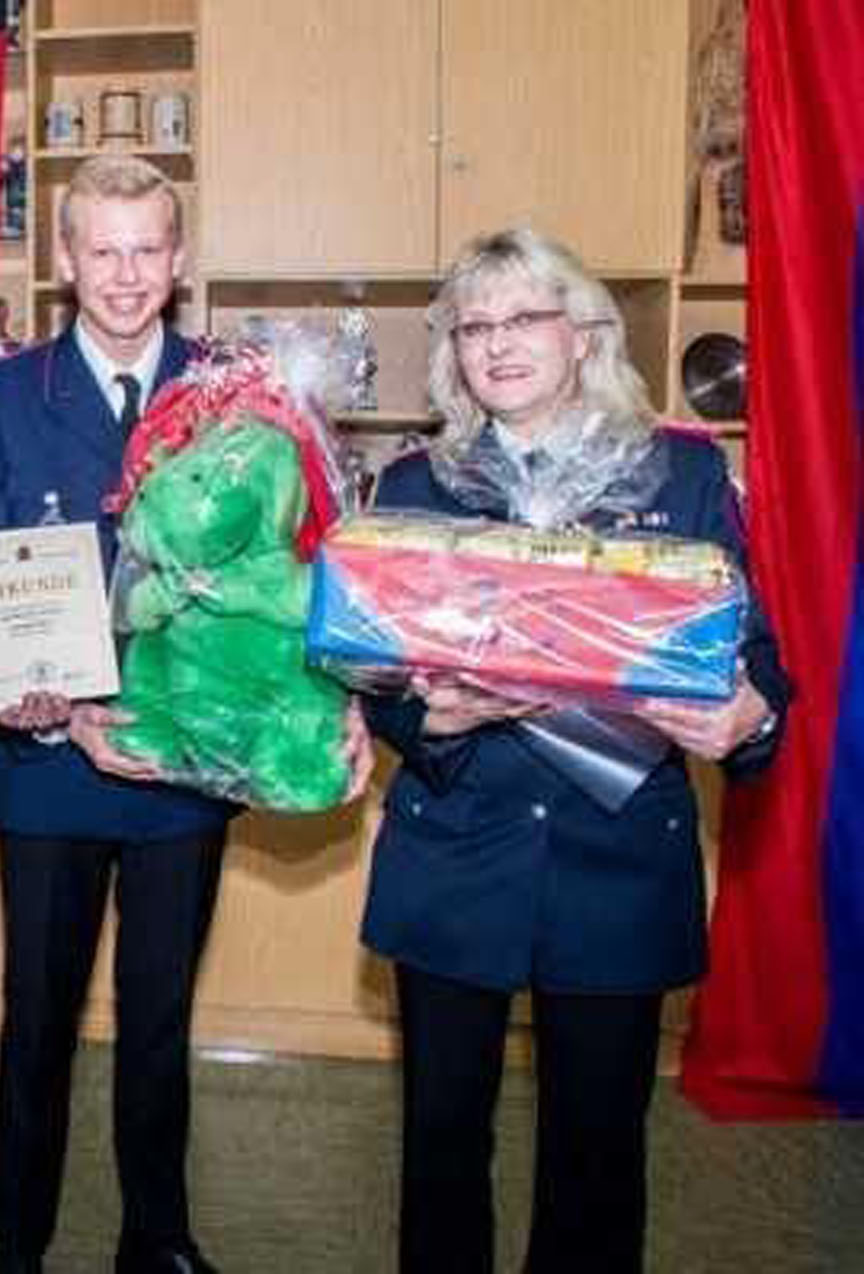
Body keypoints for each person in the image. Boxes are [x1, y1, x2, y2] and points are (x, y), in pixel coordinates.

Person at [360, 228, 791, 1273]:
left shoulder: (683, 472)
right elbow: (373, 679)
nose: (499, 344)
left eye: (525, 317)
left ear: (584, 332)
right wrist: (429, 722)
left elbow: (756, 661)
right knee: (440, 1147)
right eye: (474, 327)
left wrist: (751, 719)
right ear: (452, 353)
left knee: (597, 1160)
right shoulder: (415, 484)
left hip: (618, 863)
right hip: (457, 854)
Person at [0, 155, 231, 1274]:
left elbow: (266, 576)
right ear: (64, 259)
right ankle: (17, 1244)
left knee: (160, 1023)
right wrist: (47, 705)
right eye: (103, 251)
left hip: (182, 763)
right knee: (38, 1018)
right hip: (47, 765)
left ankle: (156, 1239)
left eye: (147, 250)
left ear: (179, 259)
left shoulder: (234, 394)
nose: (125, 275)